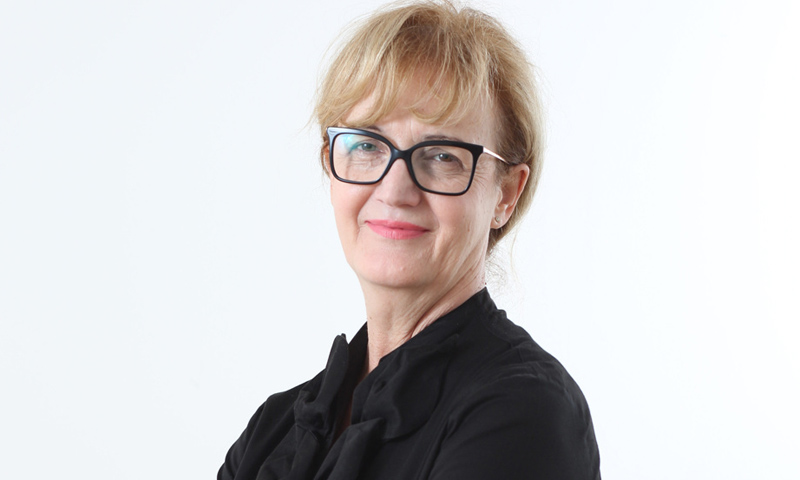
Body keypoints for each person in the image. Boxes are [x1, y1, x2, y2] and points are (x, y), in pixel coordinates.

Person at [218, 1, 600, 478]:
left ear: (505, 194)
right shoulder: (274, 428)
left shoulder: (526, 413)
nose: (394, 190)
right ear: (330, 163)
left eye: (441, 156)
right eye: (366, 145)